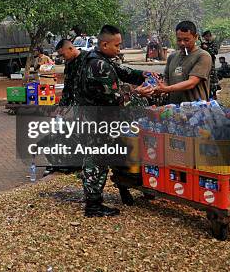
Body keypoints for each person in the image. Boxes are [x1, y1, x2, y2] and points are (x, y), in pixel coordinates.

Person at [76, 25, 154, 218]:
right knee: (97, 160)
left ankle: (96, 198)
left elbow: (121, 70)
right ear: (104, 44)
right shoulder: (99, 65)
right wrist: (137, 92)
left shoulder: (95, 58)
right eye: (117, 45)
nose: (119, 49)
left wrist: (142, 75)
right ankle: (93, 205)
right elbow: (114, 98)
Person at [156, 21, 212, 104]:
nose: (182, 43)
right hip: (174, 109)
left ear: (195, 37)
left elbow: (191, 83)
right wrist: (162, 88)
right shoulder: (172, 57)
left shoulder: (203, 56)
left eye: (186, 40)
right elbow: (166, 79)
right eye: (179, 40)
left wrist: (167, 89)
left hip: (196, 110)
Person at [56, 39, 88, 106]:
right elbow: (67, 86)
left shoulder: (88, 60)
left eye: (63, 55)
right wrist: (62, 106)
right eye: (60, 56)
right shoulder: (69, 63)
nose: (62, 58)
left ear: (70, 49)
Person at [200, 30, 220, 99]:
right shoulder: (203, 44)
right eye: (205, 37)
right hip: (204, 63)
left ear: (210, 36)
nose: (206, 38)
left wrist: (207, 48)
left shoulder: (213, 43)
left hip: (211, 63)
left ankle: (214, 94)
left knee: (213, 79)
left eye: (207, 37)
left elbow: (215, 52)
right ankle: (206, 94)